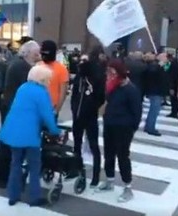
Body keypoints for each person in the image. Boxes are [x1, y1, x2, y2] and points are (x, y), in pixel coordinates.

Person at [0, 65, 60, 207]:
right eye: (48, 80)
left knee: (15, 163)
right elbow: (47, 115)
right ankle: (34, 197)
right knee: (34, 166)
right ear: (43, 79)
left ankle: (13, 195)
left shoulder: (23, 88)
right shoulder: (41, 92)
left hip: (13, 131)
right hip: (30, 133)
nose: (49, 82)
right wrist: (55, 131)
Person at [0, 40, 41, 188]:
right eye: (37, 52)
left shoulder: (18, 64)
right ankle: (0, 177)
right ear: (29, 52)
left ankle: (2, 176)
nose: (39, 54)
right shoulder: (22, 67)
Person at [99, 59, 142, 203]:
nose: (109, 75)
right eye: (108, 72)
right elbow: (108, 102)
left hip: (124, 128)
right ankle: (110, 180)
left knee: (123, 156)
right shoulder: (113, 86)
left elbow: (137, 113)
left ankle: (127, 186)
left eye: (112, 72)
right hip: (110, 124)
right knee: (109, 154)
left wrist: (131, 128)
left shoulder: (131, 90)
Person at [71, 53, 105, 189]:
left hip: (90, 117)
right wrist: (74, 109)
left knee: (93, 145)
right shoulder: (79, 78)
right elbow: (74, 95)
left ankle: (96, 175)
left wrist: (92, 106)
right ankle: (77, 169)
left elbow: (101, 97)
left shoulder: (96, 78)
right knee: (77, 145)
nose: (80, 64)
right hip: (77, 116)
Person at [39, 40, 69, 116]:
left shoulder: (62, 69)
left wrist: (56, 110)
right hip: (37, 108)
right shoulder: (38, 66)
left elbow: (63, 93)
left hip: (51, 109)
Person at [144, 53, 168, 136]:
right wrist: (159, 66)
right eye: (165, 57)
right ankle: (150, 127)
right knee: (154, 110)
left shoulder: (156, 66)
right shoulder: (155, 66)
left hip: (156, 91)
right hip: (155, 91)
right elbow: (154, 76)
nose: (166, 59)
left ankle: (148, 126)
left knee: (153, 110)